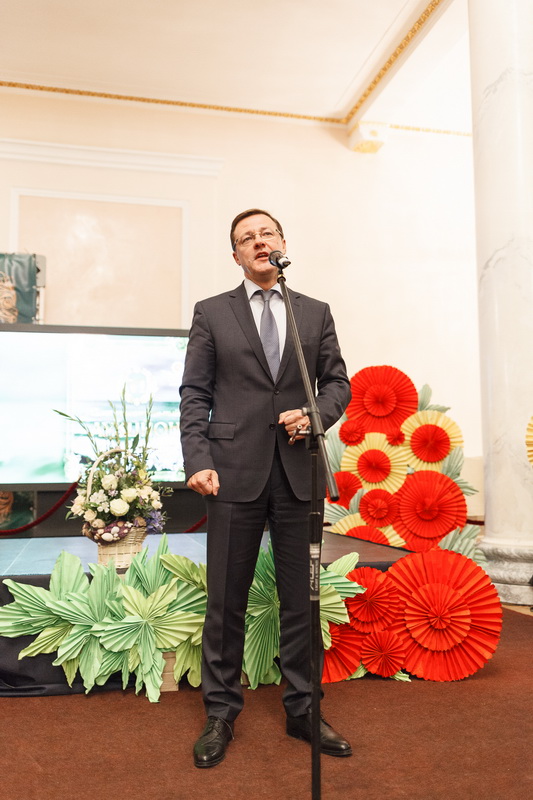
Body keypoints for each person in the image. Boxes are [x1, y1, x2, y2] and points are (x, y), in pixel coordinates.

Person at [179, 208, 352, 768]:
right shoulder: (212, 312)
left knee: (302, 600)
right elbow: (194, 392)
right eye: (246, 238)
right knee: (226, 600)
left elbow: (337, 383)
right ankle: (221, 713)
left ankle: (304, 710)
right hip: (232, 471)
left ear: (282, 243)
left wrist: (315, 414)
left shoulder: (314, 311)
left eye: (266, 233)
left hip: (300, 472)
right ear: (235, 255)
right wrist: (198, 458)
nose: (258, 241)